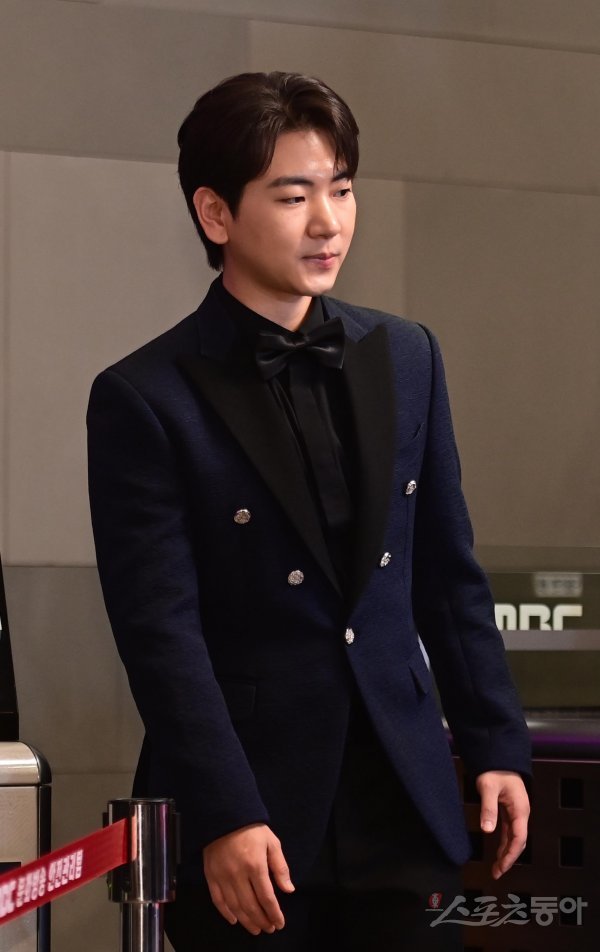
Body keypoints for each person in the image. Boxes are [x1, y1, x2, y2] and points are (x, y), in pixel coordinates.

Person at [87, 72, 530, 951]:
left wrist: (494, 743)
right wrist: (225, 812)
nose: (328, 222)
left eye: (342, 189)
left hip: (403, 798)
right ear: (216, 213)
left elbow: (448, 574)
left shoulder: (407, 355)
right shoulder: (145, 397)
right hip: (253, 816)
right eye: (294, 197)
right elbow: (160, 633)